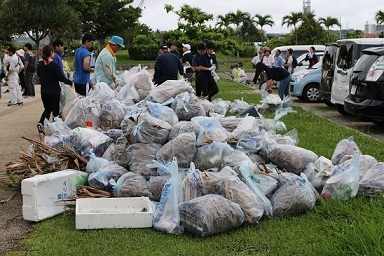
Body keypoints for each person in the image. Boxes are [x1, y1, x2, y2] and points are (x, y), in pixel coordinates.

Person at [36, 45, 72, 142]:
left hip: (44, 91)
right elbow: (61, 78)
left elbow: (39, 74)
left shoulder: (40, 65)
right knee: (56, 112)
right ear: (52, 53)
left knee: (47, 109)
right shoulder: (54, 65)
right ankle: (57, 131)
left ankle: (41, 123)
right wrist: (69, 82)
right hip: (54, 91)